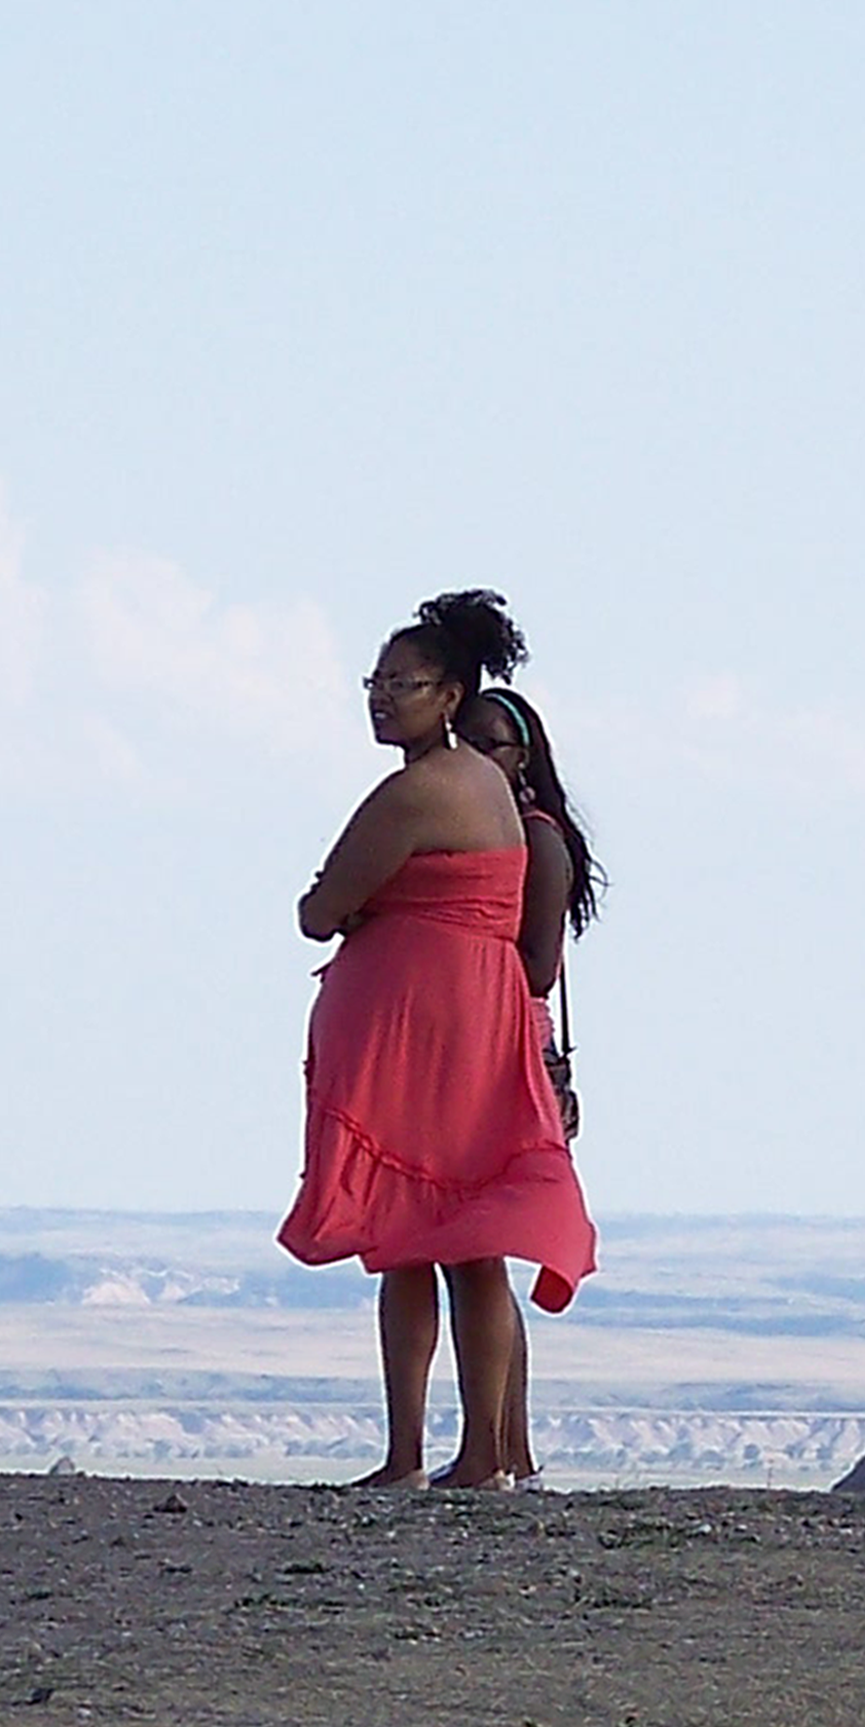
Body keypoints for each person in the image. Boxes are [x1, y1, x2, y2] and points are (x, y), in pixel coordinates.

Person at [279, 588, 594, 1491]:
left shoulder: (419, 792)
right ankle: (471, 1457)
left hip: (429, 1038)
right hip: (465, 1024)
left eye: (402, 683)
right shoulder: (486, 789)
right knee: (450, 1238)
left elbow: (319, 910)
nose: (380, 697)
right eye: (373, 681)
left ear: (450, 694)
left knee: (434, 1237)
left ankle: (431, 1457)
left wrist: (353, 904)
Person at [459, 684, 606, 1480]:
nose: (477, 759)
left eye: (493, 745)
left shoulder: (537, 841)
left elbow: (537, 968)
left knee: (486, 1256)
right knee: (481, 1259)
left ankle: (503, 1449)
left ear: (523, 759)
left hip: (509, 1046)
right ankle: (504, 1449)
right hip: (487, 1040)